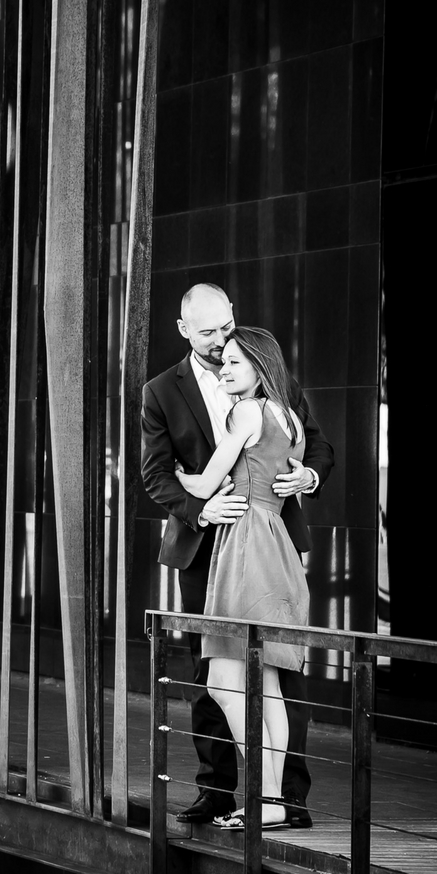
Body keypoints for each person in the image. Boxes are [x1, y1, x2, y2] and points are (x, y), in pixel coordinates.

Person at [140, 284, 333, 829]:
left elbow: (318, 445)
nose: (221, 342)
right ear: (183, 330)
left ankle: (282, 798)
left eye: (227, 328)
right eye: (208, 334)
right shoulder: (162, 391)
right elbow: (153, 475)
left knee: (270, 677)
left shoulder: (272, 383)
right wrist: (201, 510)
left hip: (261, 543)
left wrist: (307, 474)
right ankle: (221, 789)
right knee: (217, 674)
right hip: (208, 545)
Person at [174, 325, 309, 829]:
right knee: (265, 682)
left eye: (233, 362)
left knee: (226, 681)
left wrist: (178, 476)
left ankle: (262, 798)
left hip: (247, 546)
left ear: (259, 365)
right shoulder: (288, 416)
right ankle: (270, 803)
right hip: (275, 547)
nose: (224, 368)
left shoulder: (248, 411)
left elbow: (208, 481)